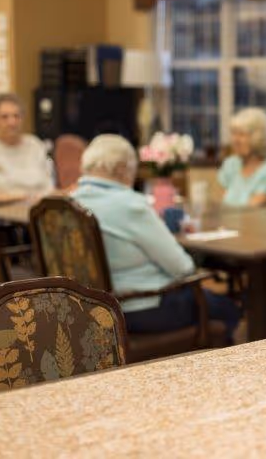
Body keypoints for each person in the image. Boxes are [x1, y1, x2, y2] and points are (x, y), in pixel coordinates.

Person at [72, 134, 239, 341]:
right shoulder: (130, 205)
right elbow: (182, 267)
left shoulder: (69, 203)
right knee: (229, 308)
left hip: (84, 308)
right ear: (123, 169)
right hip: (138, 308)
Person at [0, 93, 54, 196]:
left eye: (16, 116)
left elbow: (49, 184)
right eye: (4, 117)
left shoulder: (34, 143)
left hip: (41, 207)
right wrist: (23, 197)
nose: (12, 122)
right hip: (4, 209)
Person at [217, 107, 266, 208]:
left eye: (242, 135)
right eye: (234, 134)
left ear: (259, 138)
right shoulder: (230, 164)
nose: (235, 140)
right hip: (229, 222)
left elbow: (252, 209)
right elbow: (222, 204)